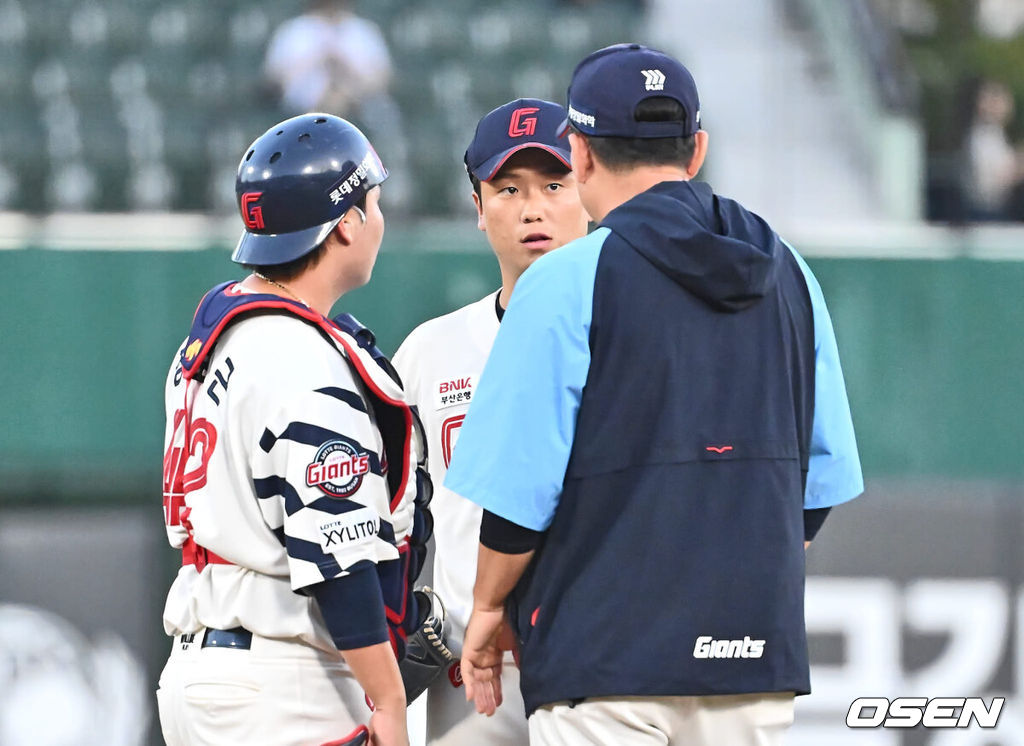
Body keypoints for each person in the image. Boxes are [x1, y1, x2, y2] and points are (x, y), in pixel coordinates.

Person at [445, 43, 864, 746]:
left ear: (577, 156)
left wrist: (487, 612)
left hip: (604, 663)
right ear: (696, 150)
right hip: (751, 661)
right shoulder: (791, 272)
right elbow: (816, 488)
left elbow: (519, 501)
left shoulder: (566, 280)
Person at [156, 113, 431, 746]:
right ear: (346, 225)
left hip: (200, 672)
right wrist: (388, 701)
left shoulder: (209, 338)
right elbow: (335, 550)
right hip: (282, 680)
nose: (379, 220)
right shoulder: (300, 356)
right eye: (374, 203)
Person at [391, 98, 590, 745]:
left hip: (598, 657)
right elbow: (387, 519)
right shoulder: (431, 349)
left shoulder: (640, 333)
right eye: (509, 188)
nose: (533, 208)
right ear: (478, 207)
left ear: (590, 187)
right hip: (470, 668)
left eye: (554, 184)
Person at [263, 0, 410, 210]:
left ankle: (377, 200)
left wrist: (345, 78)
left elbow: (384, 81)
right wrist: (317, 60)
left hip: (359, 111)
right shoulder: (294, 31)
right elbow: (274, 82)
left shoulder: (364, 31)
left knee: (383, 119)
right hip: (302, 117)